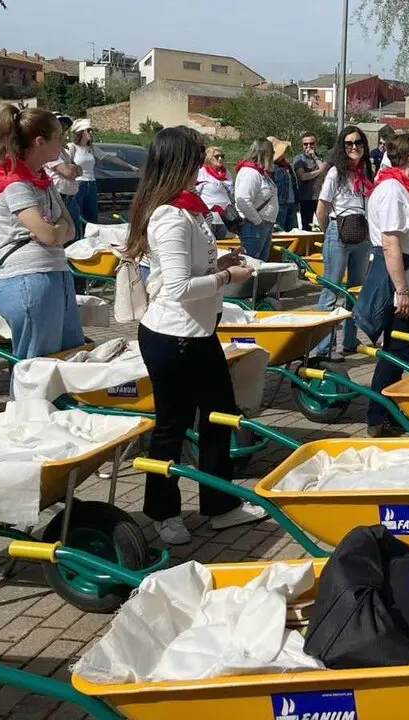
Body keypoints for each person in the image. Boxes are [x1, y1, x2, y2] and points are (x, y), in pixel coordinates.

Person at [123, 126, 263, 545]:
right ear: (178, 162)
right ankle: (163, 513)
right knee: (173, 425)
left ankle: (221, 505)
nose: (203, 164)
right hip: (173, 337)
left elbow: (190, 270)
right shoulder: (169, 215)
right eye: (197, 156)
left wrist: (221, 262)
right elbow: (179, 287)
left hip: (198, 333)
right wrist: (227, 277)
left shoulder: (189, 209)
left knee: (219, 416)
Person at [0, 106, 82, 360]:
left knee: (68, 356)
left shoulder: (41, 178)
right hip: (29, 277)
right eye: (59, 137)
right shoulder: (15, 182)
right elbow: (51, 235)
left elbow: (70, 228)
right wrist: (55, 231)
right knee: (37, 364)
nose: (63, 143)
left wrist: (54, 230)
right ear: (40, 142)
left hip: (55, 272)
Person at [364, 129, 409, 437]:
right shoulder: (392, 190)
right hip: (401, 283)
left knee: (401, 349)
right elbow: (390, 243)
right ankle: (379, 415)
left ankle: (390, 409)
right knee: (395, 350)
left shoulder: (403, 188)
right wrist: (402, 291)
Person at [313, 125, 374, 358]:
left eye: (358, 142)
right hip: (338, 233)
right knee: (332, 291)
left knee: (356, 291)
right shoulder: (335, 173)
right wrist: (329, 233)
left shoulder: (365, 173)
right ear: (342, 146)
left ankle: (350, 339)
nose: (354, 147)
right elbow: (322, 208)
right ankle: (323, 346)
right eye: (349, 143)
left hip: (361, 235)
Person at [68, 119, 138, 234]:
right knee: (77, 217)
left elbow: (109, 158)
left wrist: (130, 166)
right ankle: (76, 239)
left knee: (92, 218)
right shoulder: (72, 147)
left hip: (91, 184)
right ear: (80, 132)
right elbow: (66, 164)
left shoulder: (91, 148)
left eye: (91, 131)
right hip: (78, 185)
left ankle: (90, 239)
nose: (91, 133)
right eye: (88, 130)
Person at [232, 138, 281, 260]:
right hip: (254, 226)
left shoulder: (261, 173)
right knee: (252, 262)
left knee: (261, 262)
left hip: (263, 225)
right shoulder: (250, 173)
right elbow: (243, 201)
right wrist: (258, 221)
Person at [44, 116, 81, 238]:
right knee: (65, 235)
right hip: (60, 197)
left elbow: (78, 170)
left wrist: (73, 169)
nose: (63, 131)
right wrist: (73, 169)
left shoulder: (64, 151)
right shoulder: (51, 151)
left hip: (70, 197)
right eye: (60, 126)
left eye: (65, 128)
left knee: (75, 234)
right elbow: (69, 172)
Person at [196, 146, 234, 240]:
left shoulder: (227, 173)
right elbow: (195, 194)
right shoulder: (202, 172)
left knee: (223, 245)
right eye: (217, 156)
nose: (220, 159)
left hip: (226, 219)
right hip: (209, 218)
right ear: (209, 157)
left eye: (222, 156)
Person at [292, 133, 328, 230]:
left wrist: (315, 157)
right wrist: (319, 171)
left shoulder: (320, 158)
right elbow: (302, 176)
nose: (308, 146)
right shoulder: (299, 159)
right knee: (307, 227)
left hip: (321, 198)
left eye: (311, 143)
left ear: (316, 144)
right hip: (306, 198)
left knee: (324, 226)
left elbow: (325, 171)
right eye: (305, 144)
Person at [271, 141, 299, 232]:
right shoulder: (272, 167)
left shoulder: (287, 165)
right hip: (280, 204)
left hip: (292, 204)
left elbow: (293, 184)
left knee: (293, 232)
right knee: (279, 231)